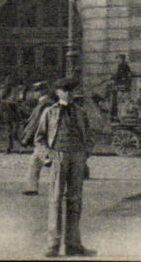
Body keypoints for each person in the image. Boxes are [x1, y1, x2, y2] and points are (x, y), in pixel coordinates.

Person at [39, 76, 95, 258]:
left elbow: (89, 135)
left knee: (75, 200)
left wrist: (85, 153)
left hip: (77, 157)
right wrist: (48, 157)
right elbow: (39, 139)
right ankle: (53, 245)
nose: (69, 94)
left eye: (71, 90)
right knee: (55, 200)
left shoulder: (80, 112)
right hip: (58, 156)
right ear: (58, 92)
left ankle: (73, 244)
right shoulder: (49, 112)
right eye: (65, 90)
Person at [21, 84, 57, 195]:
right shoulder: (46, 103)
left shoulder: (45, 104)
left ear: (39, 93)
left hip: (43, 139)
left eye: (35, 92)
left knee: (43, 162)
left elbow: (36, 123)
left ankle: (32, 188)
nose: (33, 94)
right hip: (45, 138)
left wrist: (26, 138)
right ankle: (32, 188)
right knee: (36, 161)